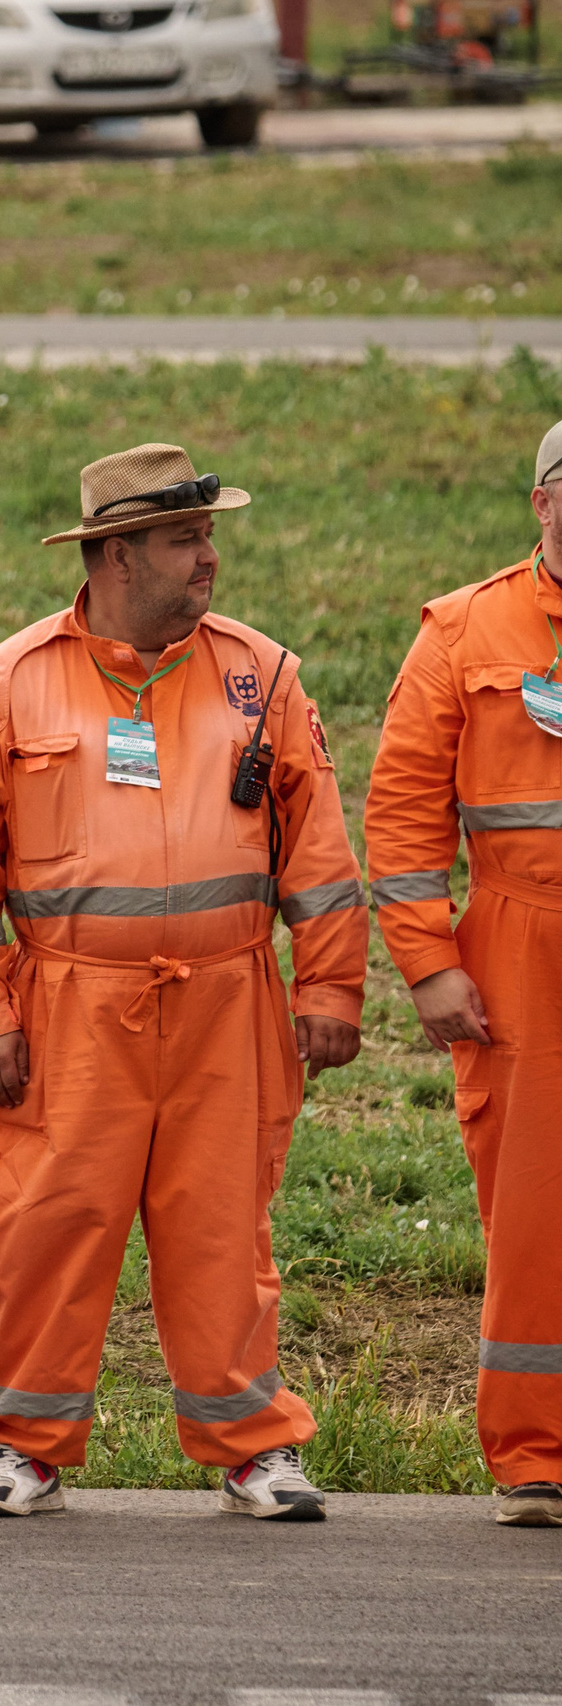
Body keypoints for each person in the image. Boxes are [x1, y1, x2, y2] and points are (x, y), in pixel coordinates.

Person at [0, 443, 365, 1521]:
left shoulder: (264, 675)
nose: (206, 558)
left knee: (221, 1229)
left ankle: (253, 1445)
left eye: (206, 536)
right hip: (67, 1013)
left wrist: (329, 989)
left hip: (226, 1004)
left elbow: (319, 853)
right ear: (113, 553)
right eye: (182, 539)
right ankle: (21, 1445)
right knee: (44, 1224)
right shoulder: (8, 683)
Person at [364, 418, 562, 1528]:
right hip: (520, 943)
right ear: (541, 501)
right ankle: (535, 1456)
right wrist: (431, 964)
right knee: (533, 1204)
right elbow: (399, 816)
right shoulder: (466, 628)